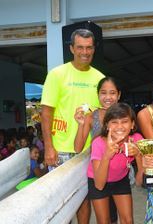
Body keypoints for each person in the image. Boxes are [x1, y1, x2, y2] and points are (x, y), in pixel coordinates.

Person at [40, 28, 106, 224]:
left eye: (89, 48)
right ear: (71, 48)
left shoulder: (99, 78)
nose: (85, 52)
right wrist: (49, 147)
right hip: (59, 150)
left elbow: (101, 116)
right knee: (59, 202)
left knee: (83, 199)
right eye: (80, 47)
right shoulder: (57, 74)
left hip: (87, 151)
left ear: (94, 49)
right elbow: (46, 113)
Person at [76, 77, 122, 224]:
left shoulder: (124, 115)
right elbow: (78, 148)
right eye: (103, 93)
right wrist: (81, 124)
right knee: (104, 219)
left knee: (113, 216)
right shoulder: (91, 116)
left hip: (117, 174)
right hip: (97, 172)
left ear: (119, 95)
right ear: (98, 95)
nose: (108, 97)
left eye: (112, 93)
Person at [87, 103, 142, 224]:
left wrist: (138, 155)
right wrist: (106, 156)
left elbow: (139, 182)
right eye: (114, 122)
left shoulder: (137, 139)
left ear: (132, 124)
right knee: (104, 221)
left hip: (120, 179)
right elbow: (99, 185)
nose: (120, 126)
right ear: (107, 125)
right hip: (98, 180)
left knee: (128, 220)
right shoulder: (98, 143)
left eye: (125, 121)